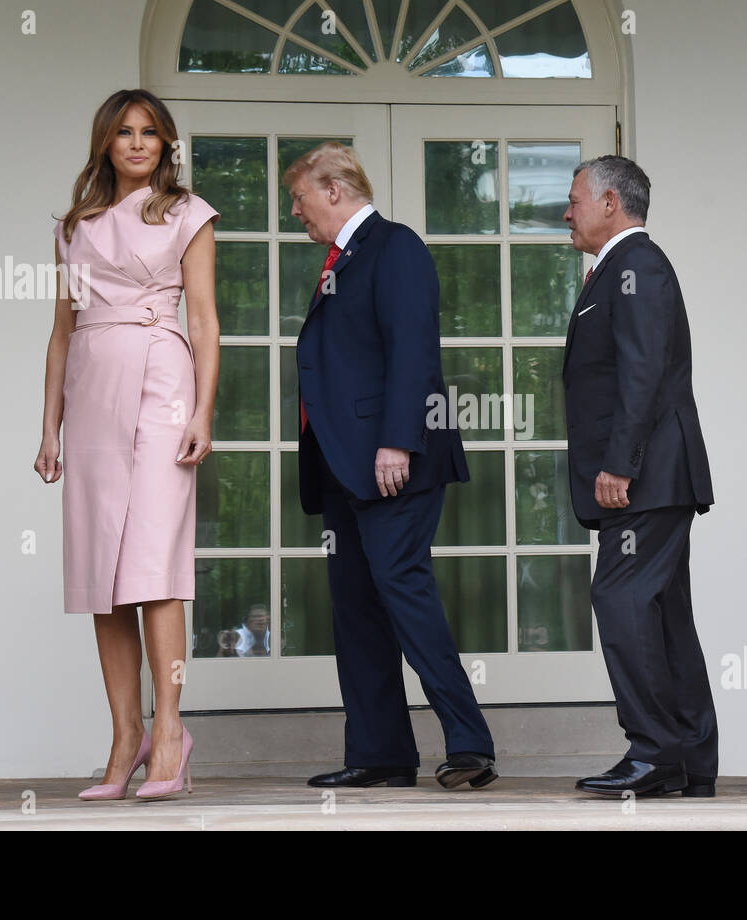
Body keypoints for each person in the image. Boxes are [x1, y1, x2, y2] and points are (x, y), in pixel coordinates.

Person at [287, 142, 497, 789]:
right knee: (356, 607)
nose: (294, 212)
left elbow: (414, 348)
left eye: (298, 198)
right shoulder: (340, 259)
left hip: (390, 459)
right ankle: (379, 754)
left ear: (332, 190)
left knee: (404, 591)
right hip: (344, 467)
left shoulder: (394, 245)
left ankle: (470, 744)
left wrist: (398, 441)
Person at [35, 89, 220, 801]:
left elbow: (203, 321)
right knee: (101, 576)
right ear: (105, 143)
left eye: (150, 133)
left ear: (165, 143)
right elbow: (60, 333)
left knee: (153, 566)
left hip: (162, 385)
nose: (137, 143)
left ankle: (170, 731)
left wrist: (202, 411)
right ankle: (124, 738)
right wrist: (48, 425)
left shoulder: (187, 213)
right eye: (124, 132)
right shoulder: (73, 226)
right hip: (90, 391)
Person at [561, 155, 718, 797]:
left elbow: (643, 373)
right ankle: (687, 759)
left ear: (609, 204)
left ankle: (654, 753)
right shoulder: (618, 270)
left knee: (621, 599)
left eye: (574, 199)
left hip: (644, 476)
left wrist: (618, 465)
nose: (566, 213)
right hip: (650, 475)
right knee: (663, 614)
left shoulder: (638, 266)